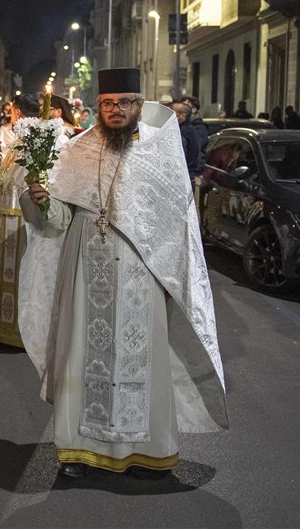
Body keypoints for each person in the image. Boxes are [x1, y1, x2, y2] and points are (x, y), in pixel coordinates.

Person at [23, 68, 228, 479]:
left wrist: (174, 277)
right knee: (82, 358)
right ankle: (80, 452)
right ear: (98, 107)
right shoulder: (77, 149)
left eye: (125, 103)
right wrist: (43, 200)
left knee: (142, 360)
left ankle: (147, 454)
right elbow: (61, 219)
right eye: (108, 104)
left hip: (141, 277)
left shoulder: (158, 152)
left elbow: (176, 223)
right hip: (85, 275)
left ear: (139, 104)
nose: (116, 110)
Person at [0, 94, 42, 346]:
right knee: (7, 278)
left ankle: (22, 332)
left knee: (22, 277)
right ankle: (4, 327)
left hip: (23, 222)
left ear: (20, 114)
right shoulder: (19, 141)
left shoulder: (37, 141)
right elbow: (5, 177)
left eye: (13, 112)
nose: (11, 116)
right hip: (7, 219)